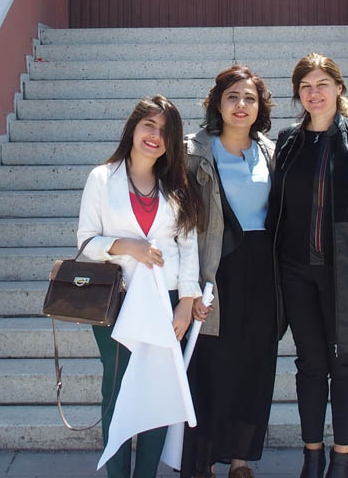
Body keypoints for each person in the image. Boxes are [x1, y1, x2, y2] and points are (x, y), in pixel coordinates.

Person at [267, 54, 348, 478]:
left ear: (338, 88)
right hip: (295, 272)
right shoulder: (288, 140)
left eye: (322, 84)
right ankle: (312, 454)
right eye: (305, 86)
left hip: (347, 272)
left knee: (344, 364)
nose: (314, 93)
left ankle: (341, 457)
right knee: (309, 364)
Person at [75, 95, 205, 478]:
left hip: (166, 302)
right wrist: (127, 246)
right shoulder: (102, 178)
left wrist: (187, 302)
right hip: (116, 302)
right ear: (133, 127)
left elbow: (189, 246)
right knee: (116, 391)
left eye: (165, 131)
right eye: (149, 125)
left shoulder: (176, 184)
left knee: (157, 394)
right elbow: (85, 241)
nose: (155, 135)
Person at [182, 66, 278, 478]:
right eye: (233, 97)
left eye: (250, 98)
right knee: (210, 367)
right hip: (216, 270)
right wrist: (190, 286)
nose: (241, 105)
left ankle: (241, 461)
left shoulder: (271, 152)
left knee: (255, 365)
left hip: (263, 270)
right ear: (217, 104)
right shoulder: (194, 152)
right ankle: (203, 461)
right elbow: (181, 224)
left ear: (260, 107)